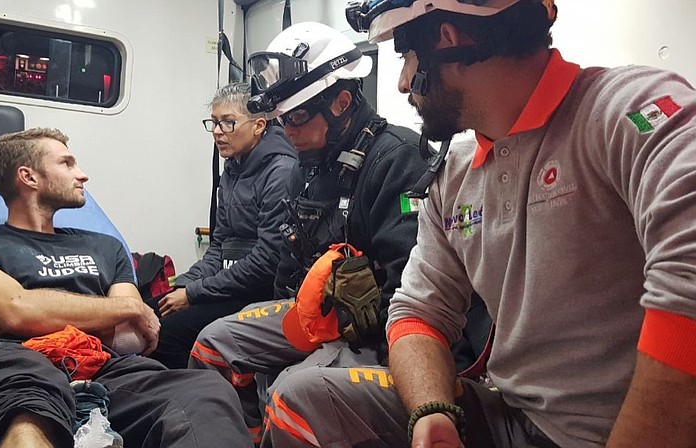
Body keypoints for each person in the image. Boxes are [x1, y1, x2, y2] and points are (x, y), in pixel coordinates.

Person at [257, 0, 696, 447]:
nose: (403, 82)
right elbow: (417, 312)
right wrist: (432, 410)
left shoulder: (629, 110)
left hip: (611, 429)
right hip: (509, 413)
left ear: (449, 38)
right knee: (298, 398)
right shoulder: (454, 175)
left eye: (406, 57)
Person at [0, 128, 252, 448]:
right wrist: (120, 308)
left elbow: (130, 336)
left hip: (102, 362)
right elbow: (16, 308)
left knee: (206, 392)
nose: (82, 175)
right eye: (67, 163)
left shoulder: (104, 247)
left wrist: (27, 316)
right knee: (25, 414)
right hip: (13, 361)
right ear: (29, 177)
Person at [188, 21, 428, 446]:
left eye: (297, 117)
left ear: (341, 101)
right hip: (305, 311)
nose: (288, 131)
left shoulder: (398, 159)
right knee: (213, 343)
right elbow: (288, 253)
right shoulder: (309, 165)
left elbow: (411, 291)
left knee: (290, 392)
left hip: (369, 332)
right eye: (282, 118)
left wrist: (329, 335)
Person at [149, 82, 296, 369]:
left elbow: (267, 262)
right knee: (152, 311)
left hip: (261, 291)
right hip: (229, 286)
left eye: (228, 122)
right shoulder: (232, 170)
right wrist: (184, 283)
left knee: (169, 332)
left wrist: (194, 294)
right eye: (214, 123)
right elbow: (219, 247)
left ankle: (190, 400)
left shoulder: (281, 172)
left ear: (258, 125)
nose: (217, 131)